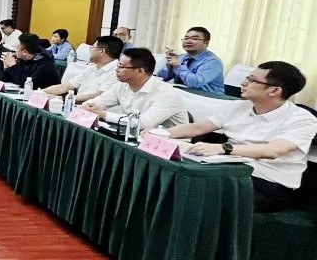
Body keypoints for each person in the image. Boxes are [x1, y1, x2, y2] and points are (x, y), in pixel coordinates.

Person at [162, 62, 317, 212]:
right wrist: (159, 134)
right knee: (173, 179)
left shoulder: (302, 119)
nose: (243, 83)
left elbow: (273, 151)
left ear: (274, 90)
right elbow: (196, 128)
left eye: (252, 80)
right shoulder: (239, 106)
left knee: (193, 192)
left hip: (268, 184)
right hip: (228, 170)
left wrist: (223, 148)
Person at [83, 47, 188, 129]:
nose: (116, 69)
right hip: (134, 134)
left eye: (121, 66)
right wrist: (88, 106)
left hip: (170, 144)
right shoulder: (122, 85)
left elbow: (144, 123)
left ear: (140, 70)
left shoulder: (167, 93)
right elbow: (99, 101)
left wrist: (104, 114)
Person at [42, 36, 122, 103]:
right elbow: (66, 86)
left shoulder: (117, 72)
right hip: (78, 106)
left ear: (102, 51)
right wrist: (41, 92)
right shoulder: (92, 68)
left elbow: (98, 96)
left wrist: (62, 99)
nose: (90, 51)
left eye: (92, 48)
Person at [156, 26, 225, 94]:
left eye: (194, 38)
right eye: (186, 38)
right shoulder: (182, 57)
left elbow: (195, 83)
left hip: (207, 98)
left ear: (206, 43)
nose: (188, 41)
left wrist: (178, 66)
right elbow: (160, 77)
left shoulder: (213, 62)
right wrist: (170, 66)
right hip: (183, 94)